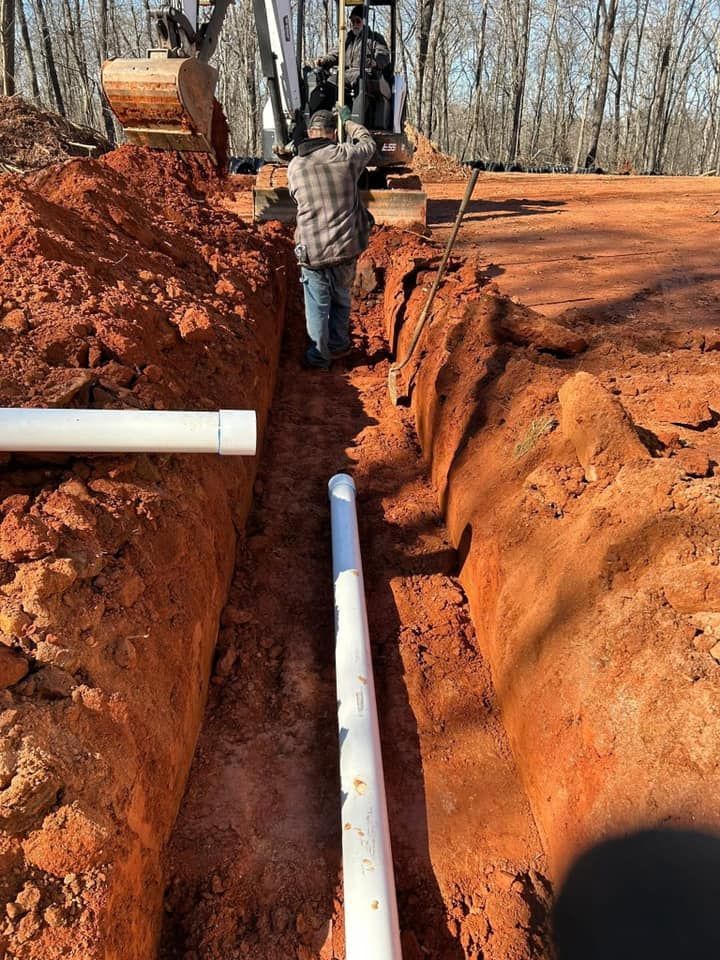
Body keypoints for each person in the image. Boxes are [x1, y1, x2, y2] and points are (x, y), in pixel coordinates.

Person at [287, 108, 376, 370]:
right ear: (333, 133)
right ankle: (338, 345)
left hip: (312, 250)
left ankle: (318, 357)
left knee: (317, 305)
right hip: (345, 247)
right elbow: (368, 143)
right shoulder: (346, 156)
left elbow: (295, 198)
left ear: (310, 133)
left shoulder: (296, 166)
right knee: (341, 296)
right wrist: (349, 122)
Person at [310, 5, 390, 115]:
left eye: (358, 21)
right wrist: (323, 60)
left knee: (359, 80)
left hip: (365, 73)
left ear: (364, 22)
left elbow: (383, 55)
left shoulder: (375, 38)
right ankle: (327, 117)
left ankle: (356, 118)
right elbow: (335, 54)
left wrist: (375, 62)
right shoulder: (346, 39)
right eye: (352, 21)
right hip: (345, 74)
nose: (355, 24)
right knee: (329, 83)